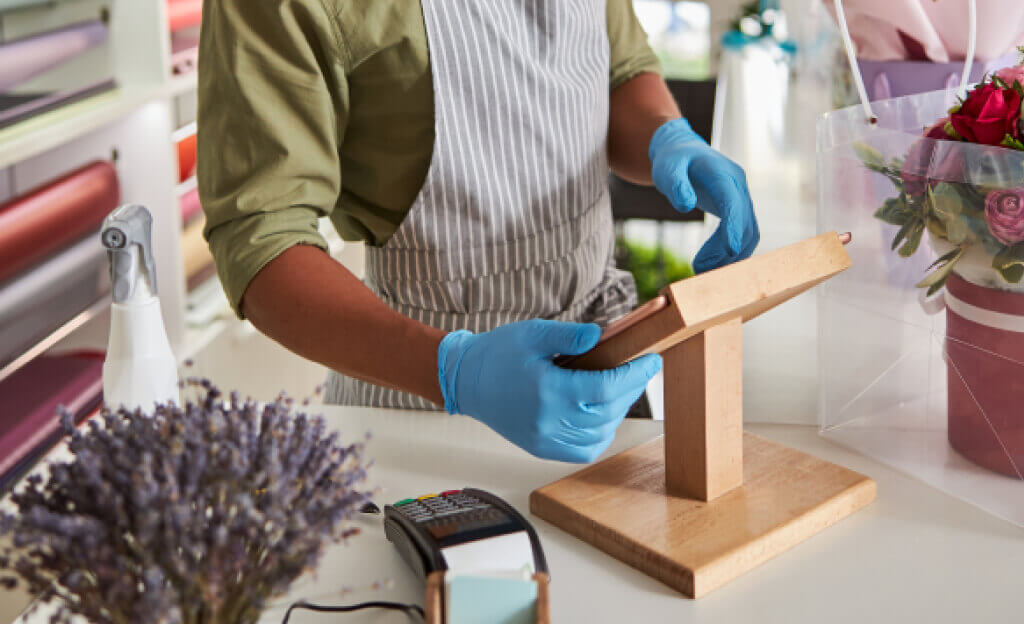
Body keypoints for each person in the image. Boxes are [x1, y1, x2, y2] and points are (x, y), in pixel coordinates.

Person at [197, 0, 758, 463]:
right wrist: (456, 372)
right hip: (420, 413)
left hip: (604, 384)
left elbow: (620, 67)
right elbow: (262, 236)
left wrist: (668, 138)